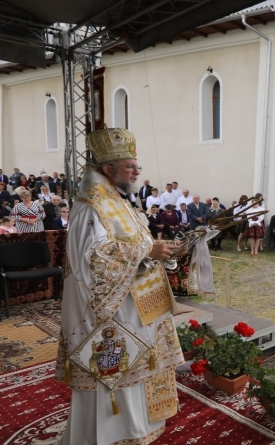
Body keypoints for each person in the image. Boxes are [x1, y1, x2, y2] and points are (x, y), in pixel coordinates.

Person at [57, 128, 183, 445]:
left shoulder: (121, 202)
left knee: (136, 372)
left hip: (133, 307)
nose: (136, 171)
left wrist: (160, 251)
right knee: (111, 375)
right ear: (107, 169)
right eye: (129, 166)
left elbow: (137, 246)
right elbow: (92, 260)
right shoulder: (89, 206)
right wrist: (146, 251)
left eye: (136, 165)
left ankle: (136, 433)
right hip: (103, 315)